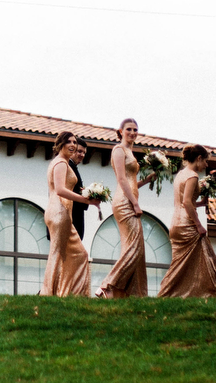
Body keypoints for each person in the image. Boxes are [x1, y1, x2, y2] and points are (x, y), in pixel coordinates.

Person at [157, 143, 216, 298]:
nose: (206, 164)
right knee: (208, 258)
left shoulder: (181, 174)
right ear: (198, 158)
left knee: (181, 263)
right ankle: (213, 291)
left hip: (176, 221)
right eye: (205, 161)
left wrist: (200, 203)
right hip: (186, 224)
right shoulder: (192, 176)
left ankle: (172, 293)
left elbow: (183, 201)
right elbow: (186, 203)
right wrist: (198, 225)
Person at [41, 131, 99, 296]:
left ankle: (63, 291)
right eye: (69, 142)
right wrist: (85, 200)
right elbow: (60, 190)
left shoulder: (60, 162)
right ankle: (51, 292)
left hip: (60, 211)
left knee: (69, 254)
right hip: (59, 211)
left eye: (75, 142)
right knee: (62, 253)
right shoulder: (61, 163)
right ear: (61, 144)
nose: (73, 145)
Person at [97, 118, 149, 298]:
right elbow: (121, 179)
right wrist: (135, 203)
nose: (133, 133)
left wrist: (145, 181)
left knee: (137, 247)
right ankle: (107, 286)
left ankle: (130, 294)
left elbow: (131, 181)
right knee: (134, 247)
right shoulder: (118, 150)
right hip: (125, 202)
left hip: (130, 197)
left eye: (136, 130)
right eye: (129, 129)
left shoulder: (130, 152)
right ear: (120, 131)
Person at [69, 138, 89, 241]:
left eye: (84, 153)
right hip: (70, 218)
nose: (82, 155)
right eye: (79, 151)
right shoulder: (68, 166)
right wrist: (86, 198)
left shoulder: (73, 167)